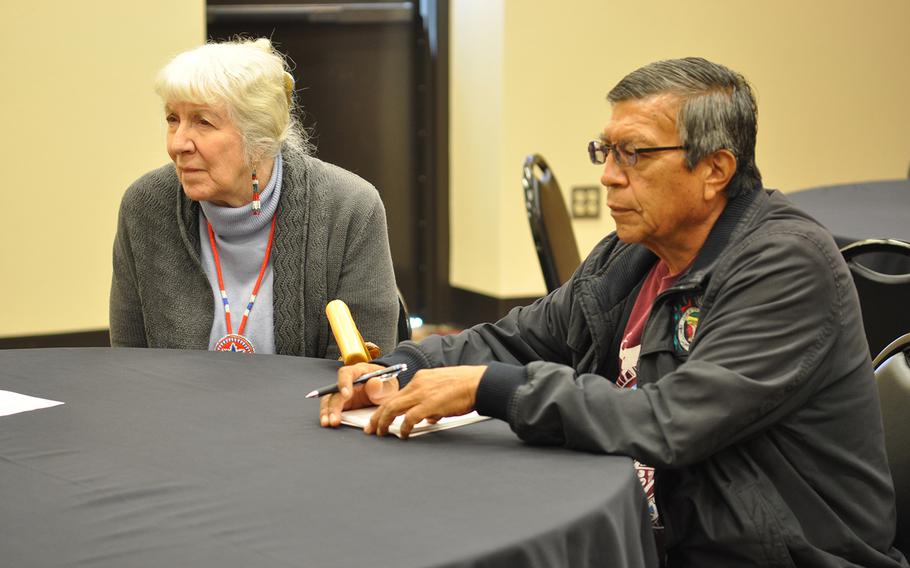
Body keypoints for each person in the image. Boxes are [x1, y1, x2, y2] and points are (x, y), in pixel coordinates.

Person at [320, 57, 908, 567]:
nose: (607, 175)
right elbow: (521, 337)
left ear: (715, 170)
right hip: (657, 528)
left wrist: (489, 389)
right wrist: (403, 363)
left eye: (635, 154)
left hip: (774, 555)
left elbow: (669, 421)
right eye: (606, 150)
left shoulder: (787, 266)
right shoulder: (635, 252)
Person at [110, 38, 398, 357]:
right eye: (172, 119)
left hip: (306, 407)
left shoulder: (348, 207)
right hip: (177, 406)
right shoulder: (146, 205)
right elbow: (130, 363)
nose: (178, 144)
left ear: (258, 138)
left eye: (203, 122)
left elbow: (361, 372)